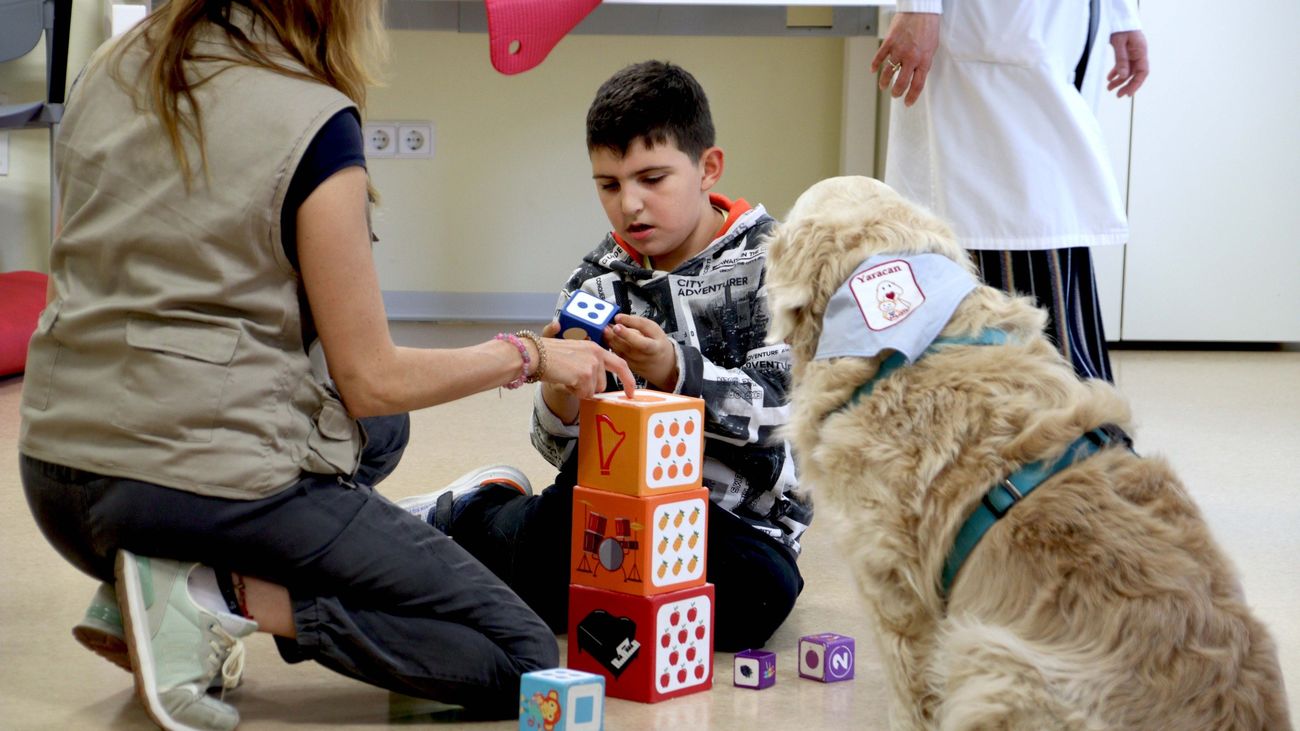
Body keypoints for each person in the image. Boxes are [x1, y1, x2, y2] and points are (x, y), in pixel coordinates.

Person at [18, 2, 635, 729]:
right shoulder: (312, 118)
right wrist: (531, 354)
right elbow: (369, 377)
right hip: (183, 485)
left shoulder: (115, 65)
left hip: (57, 472)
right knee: (522, 652)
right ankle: (218, 593)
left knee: (384, 434)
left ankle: (143, 587)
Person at [397, 60, 812, 653]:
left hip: (739, 526)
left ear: (708, 168)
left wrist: (675, 368)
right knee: (533, 584)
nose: (631, 206)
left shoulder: (778, 263)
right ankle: (475, 510)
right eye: (610, 185)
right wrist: (560, 393)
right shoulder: (597, 283)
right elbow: (559, 447)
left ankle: (507, 536)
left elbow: (786, 412)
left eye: (652, 178)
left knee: (752, 607)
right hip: (609, 511)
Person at [870, 0, 1150, 382]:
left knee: (1032, 219)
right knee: (1006, 218)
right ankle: (1044, 411)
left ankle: (1057, 413)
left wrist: (1119, 14)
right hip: (994, 25)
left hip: (1041, 25)